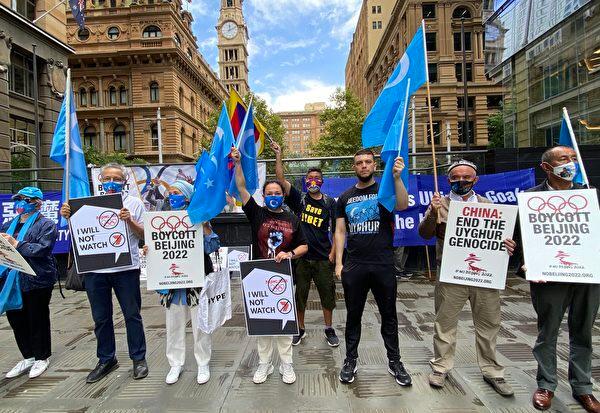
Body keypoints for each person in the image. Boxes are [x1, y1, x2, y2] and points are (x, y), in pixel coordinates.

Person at [418, 159, 516, 396]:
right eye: (455, 177)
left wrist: (508, 245)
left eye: (466, 177)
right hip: (451, 274)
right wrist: (432, 213)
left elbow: (500, 238)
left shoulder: (489, 205)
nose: (461, 181)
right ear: (448, 180)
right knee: (445, 323)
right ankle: (441, 367)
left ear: (476, 180)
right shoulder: (439, 204)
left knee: (489, 324)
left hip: (484, 276)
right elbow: (424, 233)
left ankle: (492, 370)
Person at [518, 146, 600, 412]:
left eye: (573, 158)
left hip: (587, 276)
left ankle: (583, 388)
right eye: (564, 159)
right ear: (546, 167)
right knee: (547, 332)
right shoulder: (530, 199)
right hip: (548, 280)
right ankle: (546, 384)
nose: (570, 163)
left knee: (583, 332)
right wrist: (526, 265)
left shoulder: (589, 196)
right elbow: (520, 241)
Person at [60, 163, 148, 383]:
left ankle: (138, 358)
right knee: (101, 318)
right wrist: (69, 215)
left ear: (124, 181)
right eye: (107, 177)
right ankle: (106, 359)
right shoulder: (86, 203)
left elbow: (144, 235)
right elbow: (80, 233)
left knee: (132, 315)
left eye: (116, 178)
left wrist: (130, 221)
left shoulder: (134, 203)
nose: (111, 182)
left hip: (126, 269)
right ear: (100, 180)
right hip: (95, 270)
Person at [230, 146, 308, 385]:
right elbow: (241, 187)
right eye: (269, 192)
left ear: (283, 196)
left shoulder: (293, 219)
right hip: (258, 278)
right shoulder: (257, 213)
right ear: (264, 196)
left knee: (285, 324)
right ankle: (265, 364)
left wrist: (289, 253)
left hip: (284, 277)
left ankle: (287, 364)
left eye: (277, 192)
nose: (274, 195)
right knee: (262, 325)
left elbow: (304, 246)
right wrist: (238, 163)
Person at [334, 148, 412, 386]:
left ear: (375, 166)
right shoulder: (345, 198)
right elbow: (339, 231)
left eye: (368, 162)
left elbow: (402, 205)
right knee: (353, 317)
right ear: (354, 167)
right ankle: (350, 360)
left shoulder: (385, 190)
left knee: (389, 316)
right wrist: (339, 263)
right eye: (359, 162)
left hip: (383, 264)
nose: (364, 166)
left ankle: (395, 361)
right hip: (355, 265)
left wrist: (397, 178)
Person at [151, 180, 221, 385]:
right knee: (173, 325)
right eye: (169, 193)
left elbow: (213, 246)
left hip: (197, 282)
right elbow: (155, 246)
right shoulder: (161, 219)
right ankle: (175, 364)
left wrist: (206, 224)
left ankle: (203, 363)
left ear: (187, 196)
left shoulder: (198, 217)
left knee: (200, 325)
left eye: (177, 192)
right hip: (171, 283)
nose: (172, 196)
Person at [272, 142, 339, 347]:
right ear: (305, 181)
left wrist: (333, 255)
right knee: (299, 296)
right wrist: (278, 155)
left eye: (317, 179)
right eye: (310, 179)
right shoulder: (299, 200)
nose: (313, 181)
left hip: (323, 259)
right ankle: (300, 329)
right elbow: (282, 180)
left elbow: (337, 230)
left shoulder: (329, 203)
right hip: (301, 257)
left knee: (327, 296)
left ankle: (329, 329)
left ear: (322, 181)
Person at [2, 187, 58, 379]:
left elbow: (42, 249)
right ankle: (28, 356)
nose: (21, 203)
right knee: (16, 319)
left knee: (37, 318)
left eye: (26, 200)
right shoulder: (8, 224)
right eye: (19, 199)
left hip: (38, 278)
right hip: (11, 278)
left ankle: (42, 357)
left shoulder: (46, 224)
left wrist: (17, 244)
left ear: (37, 202)